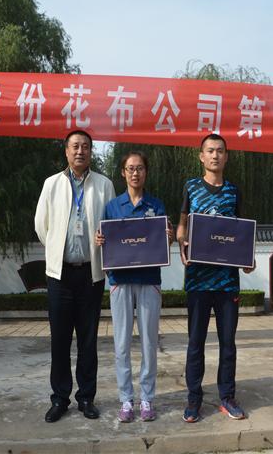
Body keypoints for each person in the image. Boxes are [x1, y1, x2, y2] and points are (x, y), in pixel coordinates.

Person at [34, 130, 115, 423]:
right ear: (66, 151)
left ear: (91, 152)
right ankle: (59, 399)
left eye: (85, 147)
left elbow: (113, 225)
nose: (80, 151)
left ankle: (86, 398)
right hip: (60, 276)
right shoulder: (52, 184)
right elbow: (41, 226)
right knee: (59, 341)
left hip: (91, 275)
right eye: (75, 146)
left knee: (88, 341)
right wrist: (58, 249)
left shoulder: (104, 185)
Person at [176, 133, 255, 423]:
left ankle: (227, 397)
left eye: (220, 151)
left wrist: (248, 258)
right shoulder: (191, 187)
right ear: (201, 156)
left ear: (226, 156)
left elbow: (242, 232)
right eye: (210, 151)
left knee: (228, 344)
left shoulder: (234, 191)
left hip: (227, 283)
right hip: (198, 280)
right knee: (195, 342)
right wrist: (182, 243)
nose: (215, 155)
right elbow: (182, 226)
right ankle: (193, 399)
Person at [95, 151, 172, 423]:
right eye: (130, 168)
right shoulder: (112, 207)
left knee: (150, 343)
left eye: (139, 168)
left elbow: (162, 242)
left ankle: (147, 398)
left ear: (146, 172)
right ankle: (126, 399)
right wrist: (100, 240)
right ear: (123, 173)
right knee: (122, 344)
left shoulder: (156, 205)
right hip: (120, 280)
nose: (135, 173)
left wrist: (168, 238)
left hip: (149, 280)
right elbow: (105, 240)